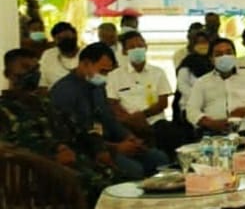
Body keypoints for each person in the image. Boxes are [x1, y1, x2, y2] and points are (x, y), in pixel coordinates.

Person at [0, 48, 115, 202]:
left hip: (73, 164)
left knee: (118, 180)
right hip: (36, 175)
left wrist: (99, 148)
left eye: (36, 69)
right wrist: (53, 154)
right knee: (95, 188)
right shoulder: (4, 109)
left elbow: (77, 129)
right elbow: (11, 150)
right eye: (25, 68)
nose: (32, 74)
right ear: (8, 74)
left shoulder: (45, 104)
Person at [49, 43, 169, 179]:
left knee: (158, 158)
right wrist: (115, 147)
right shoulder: (65, 92)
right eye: (103, 71)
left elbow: (108, 118)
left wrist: (129, 137)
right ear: (85, 64)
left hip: (109, 142)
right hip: (86, 151)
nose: (105, 77)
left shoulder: (96, 85)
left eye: (108, 72)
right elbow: (76, 136)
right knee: (133, 170)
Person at [106, 31, 180, 154]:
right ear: (124, 51)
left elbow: (163, 102)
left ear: (146, 47)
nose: (137, 49)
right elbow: (113, 104)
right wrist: (131, 120)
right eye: (132, 47)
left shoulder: (158, 72)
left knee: (170, 132)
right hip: (128, 123)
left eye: (140, 46)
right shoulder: (114, 76)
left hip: (155, 122)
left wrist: (142, 115)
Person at [187, 37, 245, 135]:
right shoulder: (202, 82)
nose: (224, 57)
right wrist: (211, 123)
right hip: (213, 132)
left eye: (228, 52)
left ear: (235, 55)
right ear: (211, 59)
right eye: (218, 54)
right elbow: (192, 110)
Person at [173, 30, 213, 125]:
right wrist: (199, 98)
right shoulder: (187, 63)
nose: (202, 45)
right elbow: (182, 86)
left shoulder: (212, 62)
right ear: (193, 45)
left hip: (211, 106)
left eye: (204, 42)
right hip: (189, 106)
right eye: (199, 43)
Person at [39, 22, 80, 88]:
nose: (65, 41)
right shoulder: (48, 55)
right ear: (55, 40)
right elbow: (43, 83)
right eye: (60, 38)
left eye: (67, 36)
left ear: (75, 35)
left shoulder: (88, 54)